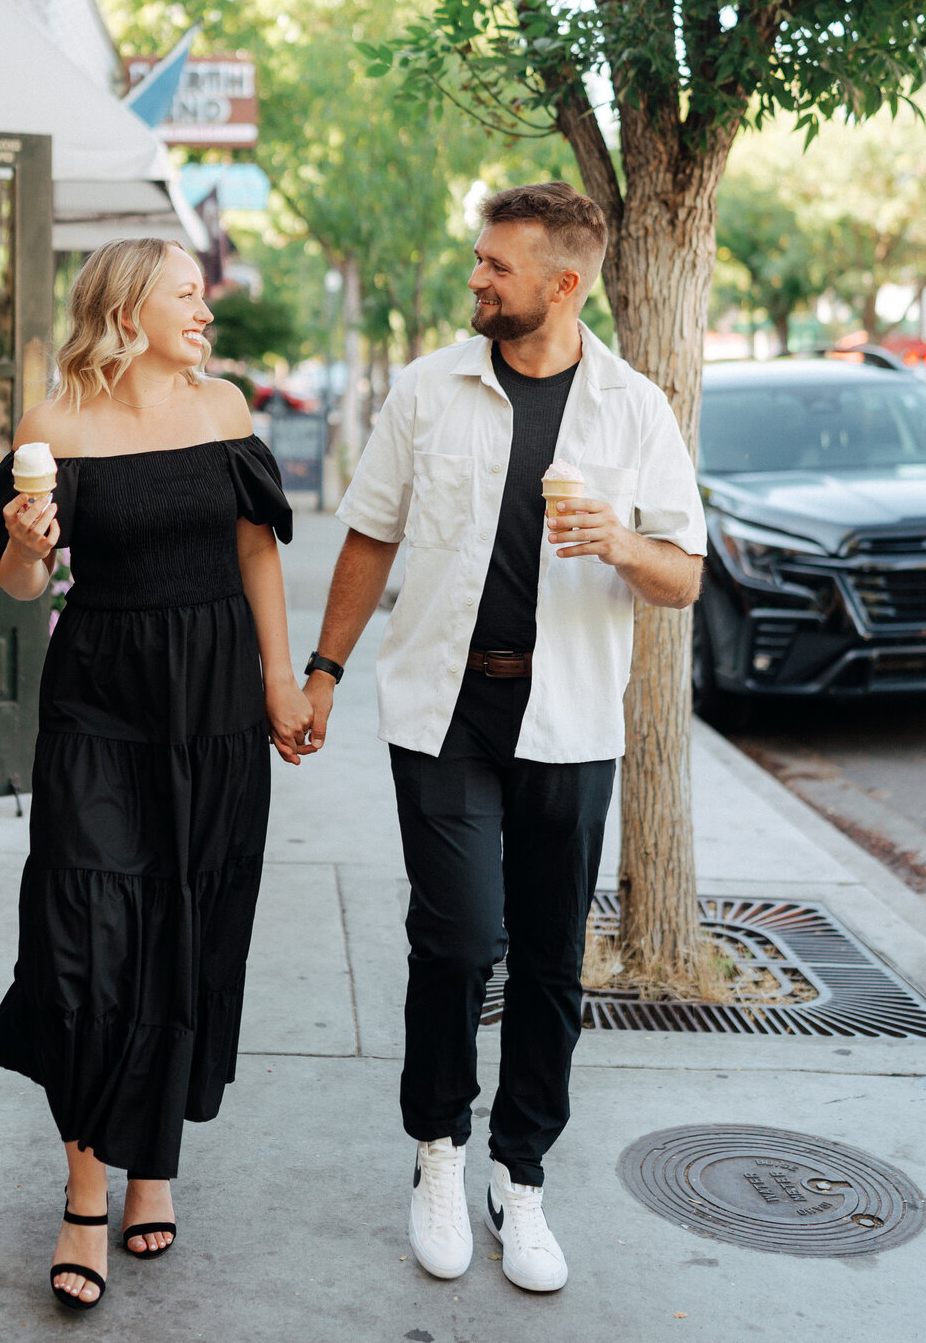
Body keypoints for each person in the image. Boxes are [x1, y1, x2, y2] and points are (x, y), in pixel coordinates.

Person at [297, 182, 706, 1295]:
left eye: (496, 265)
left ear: (563, 285)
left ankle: (520, 1174)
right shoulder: (429, 389)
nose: (476, 277)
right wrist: (324, 672)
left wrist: (620, 542)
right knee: (458, 939)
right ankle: (438, 1149)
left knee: (549, 959)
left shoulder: (633, 409)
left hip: (570, 720)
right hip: (444, 711)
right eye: (478, 259)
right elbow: (370, 534)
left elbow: (683, 574)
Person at [0, 238, 313, 1312]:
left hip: (214, 700)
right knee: (80, 941)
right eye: (187, 294)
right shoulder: (55, 424)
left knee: (188, 924)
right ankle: (84, 1189)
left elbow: (256, 551)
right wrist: (28, 541)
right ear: (127, 311)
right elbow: (21, 582)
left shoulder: (225, 410)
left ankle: (153, 1161)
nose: (206, 310)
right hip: (99, 701)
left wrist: (282, 679)